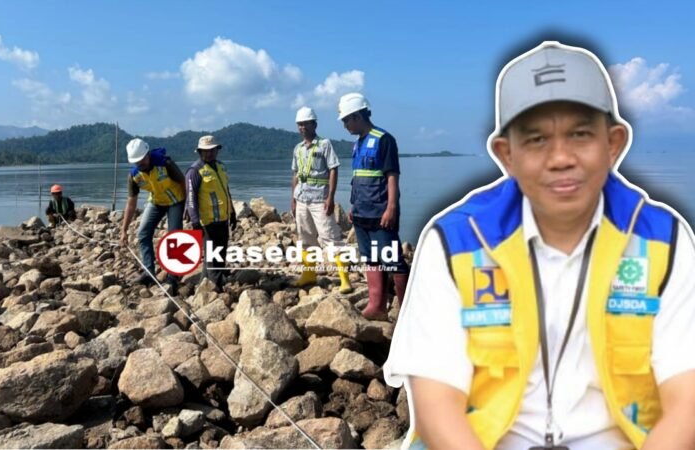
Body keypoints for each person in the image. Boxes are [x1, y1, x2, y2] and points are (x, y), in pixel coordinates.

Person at [384, 41, 695, 450]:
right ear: (506, 154)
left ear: (613, 143)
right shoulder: (455, 241)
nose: (561, 157)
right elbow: (437, 402)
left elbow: (686, 401)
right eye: (536, 140)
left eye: (580, 134)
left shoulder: (663, 239)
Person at [338, 93, 409, 319]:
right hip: (361, 214)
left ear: (357, 116)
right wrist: (354, 206)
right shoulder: (357, 144)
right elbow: (359, 178)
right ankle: (377, 306)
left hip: (381, 214)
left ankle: (407, 311)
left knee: (392, 261)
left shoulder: (383, 139)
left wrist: (391, 208)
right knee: (371, 259)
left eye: (346, 120)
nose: (345, 125)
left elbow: (391, 176)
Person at [290, 106, 353, 294]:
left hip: (319, 198)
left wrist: (330, 197)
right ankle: (309, 274)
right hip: (301, 199)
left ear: (314, 124)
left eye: (306, 124)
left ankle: (344, 279)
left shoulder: (324, 144)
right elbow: (295, 174)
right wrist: (293, 199)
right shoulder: (298, 149)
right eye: (300, 124)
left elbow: (333, 169)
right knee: (305, 237)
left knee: (330, 237)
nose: (302, 127)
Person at [119, 138, 186, 289]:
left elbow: (183, 183)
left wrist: (188, 205)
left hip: (176, 201)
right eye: (136, 162)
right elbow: (131, 202)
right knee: (142, 233)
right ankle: (149, 272)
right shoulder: (134, 176)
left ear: (148, 154)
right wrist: (123, 230)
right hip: (156, 202)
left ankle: (173, 275)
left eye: (142, 160)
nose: (140, 164)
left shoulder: (165, 163)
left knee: (174, 236)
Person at [185, 135, 236, 291]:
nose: (209, 154)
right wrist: (195, 222)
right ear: (200, 152)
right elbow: (191, 199)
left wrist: (232, 212)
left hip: (222, 219)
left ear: (217, 150)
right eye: (206, 151)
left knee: (220, 254)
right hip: (207, 222)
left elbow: (226, 191)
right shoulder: (195, 171)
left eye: (212, 150)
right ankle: (217, 289)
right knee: (212, 257)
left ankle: (205, 285)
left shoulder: (220, 167)